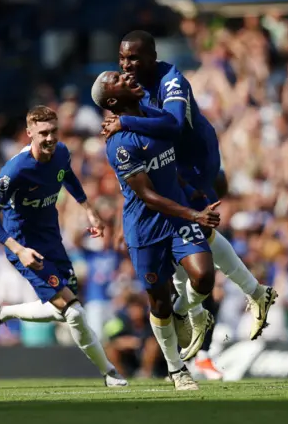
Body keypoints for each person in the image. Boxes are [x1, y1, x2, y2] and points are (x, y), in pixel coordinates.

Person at [102, 30, 278, 347]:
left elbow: (174, 126)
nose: (126, 65)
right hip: (170, 165)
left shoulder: (171, 80)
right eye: (122, 58)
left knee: (191, 228)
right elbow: (130, 173)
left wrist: (126, 123)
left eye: (133, 58)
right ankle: (241, 297)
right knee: (187, 234)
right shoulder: (130, 90)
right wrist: (119, 217)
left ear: (151, 58)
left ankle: (196, 310)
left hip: (194, 162)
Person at [0, 105, 128, 387]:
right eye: (43, 133)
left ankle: (3, 313)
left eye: (54, 131)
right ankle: (109, 373)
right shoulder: (15, 170)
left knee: (63, 311)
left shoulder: (61, 153)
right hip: (26, 248)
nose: (50, 138)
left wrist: (88, 209)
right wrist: (17, 250)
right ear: (29, 133)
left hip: (53, 241)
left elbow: (67, 175)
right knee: (74, 311)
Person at [92, 70, 222, 390]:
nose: (126, 75)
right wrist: (195, 213)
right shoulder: (119, 144)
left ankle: (183, 313)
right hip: (146, 229)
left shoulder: (151, 114)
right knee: (158, 302)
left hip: (177, 218)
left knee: (204, 277)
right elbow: (148, 196)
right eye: (117, 79)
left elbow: (174, 128)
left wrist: (188, 191)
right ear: (112, 100)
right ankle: (177, 369)